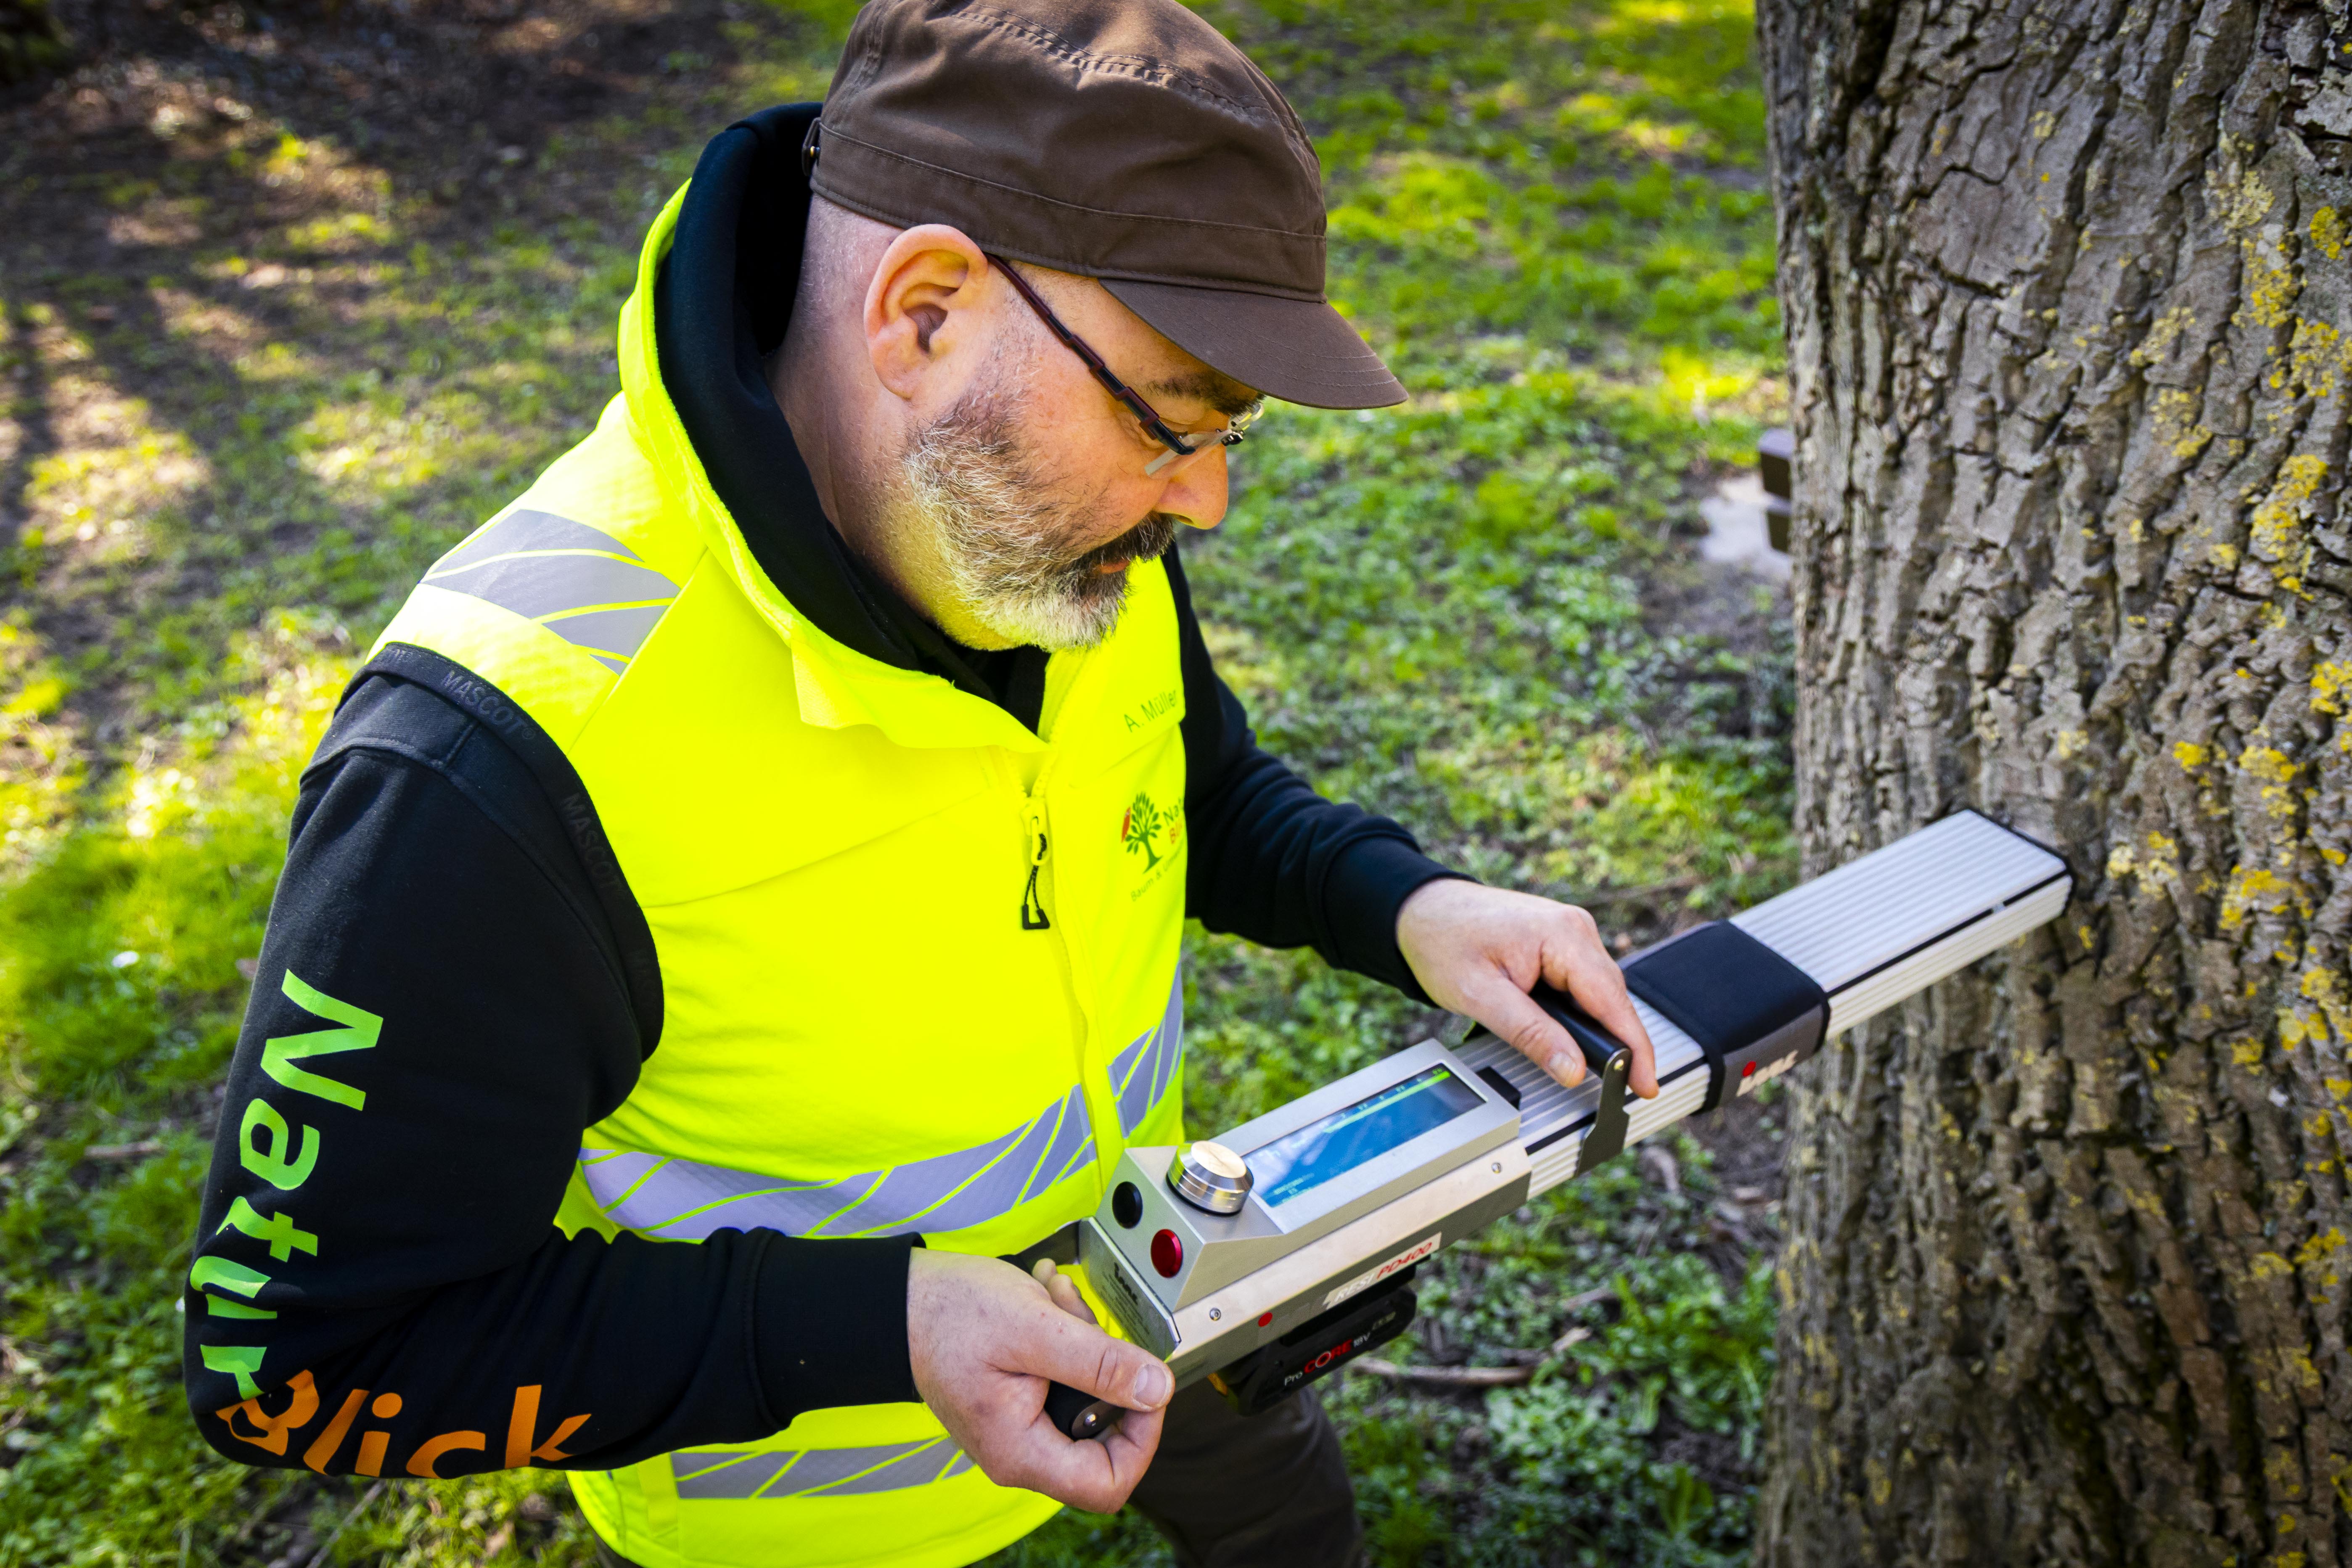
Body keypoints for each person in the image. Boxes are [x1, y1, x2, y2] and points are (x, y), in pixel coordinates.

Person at [182, 2, 1659, 1565]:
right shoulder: (494, 760)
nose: (1208, 497)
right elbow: (302, 1361)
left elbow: (1191, 787)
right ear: (924, 313)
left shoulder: (1053, 529)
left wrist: (1406, 903)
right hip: (812, 1520)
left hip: (1161, 1281)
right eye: (1174, 413)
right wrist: (878, 1326)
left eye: (1235, 427)